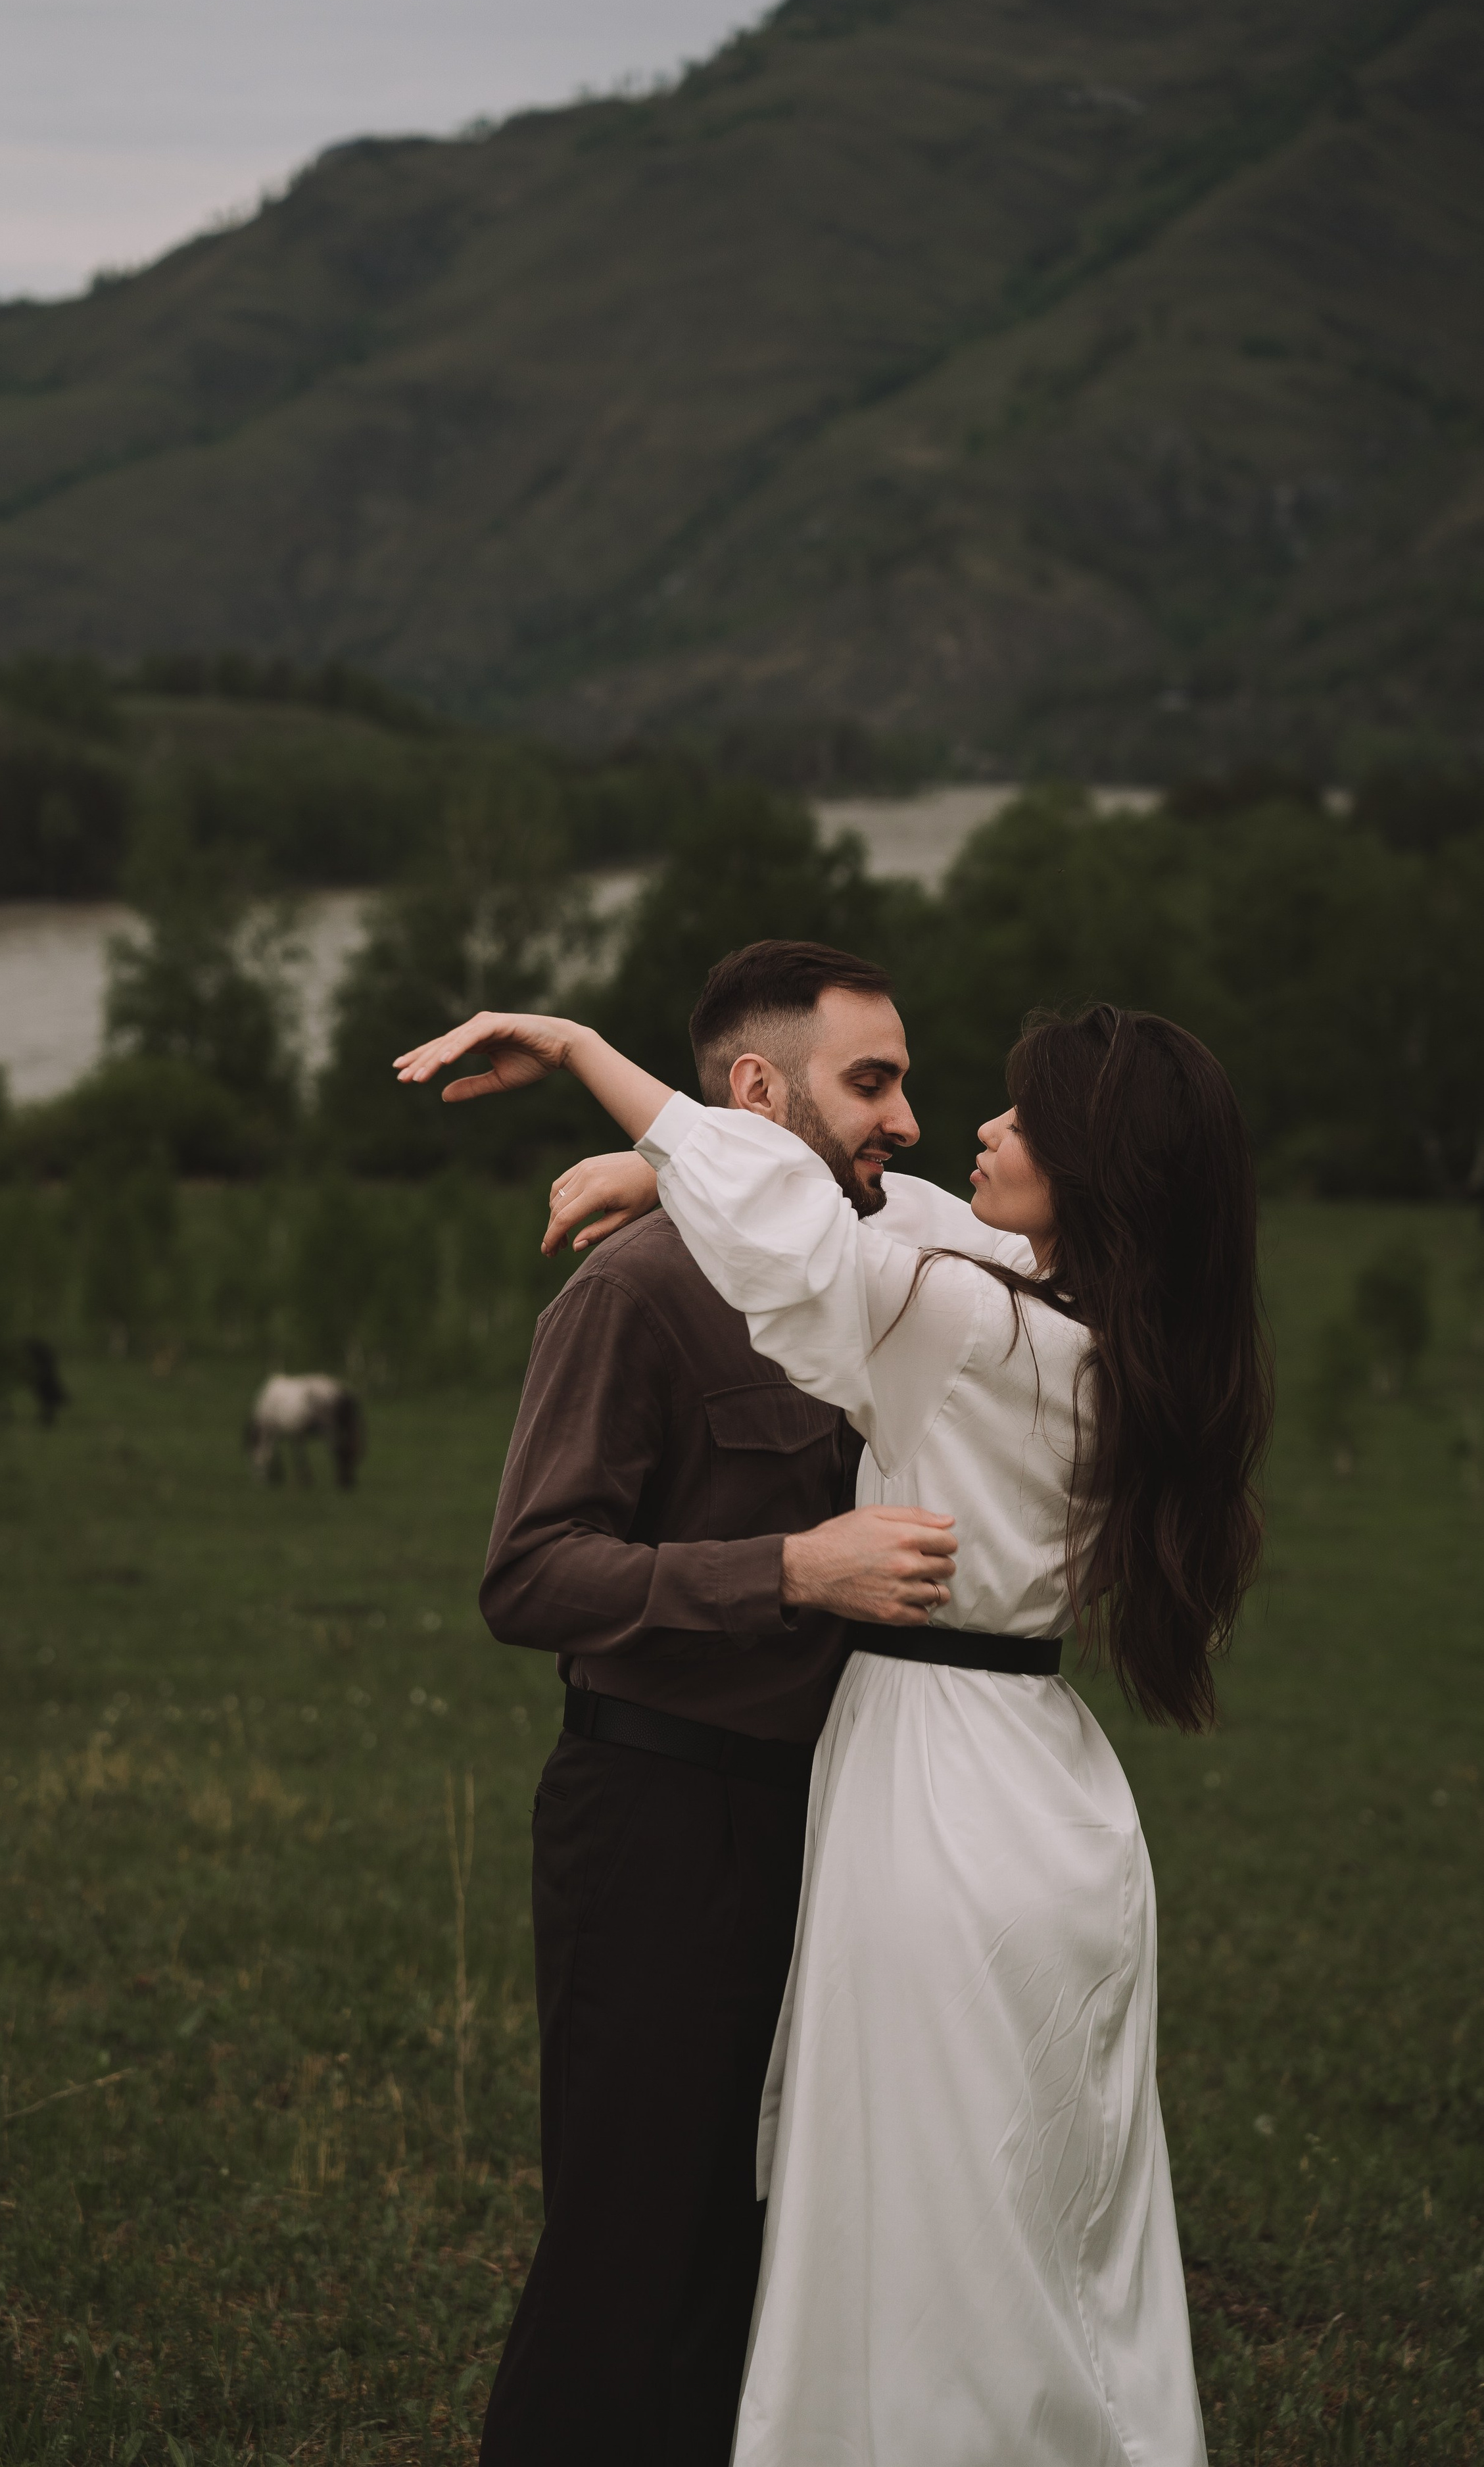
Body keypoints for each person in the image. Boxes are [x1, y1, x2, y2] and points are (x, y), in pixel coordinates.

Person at [397, 995, 1272, 2467]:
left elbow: (813, 1235)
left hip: (933, 1793)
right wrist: (672, 1170)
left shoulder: (962, 1317)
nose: (974, 1130)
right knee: (1048, 2216)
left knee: (924, 2219)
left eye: (1020, 1119)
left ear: (1088, 1175)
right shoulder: (1102, 1321)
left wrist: (584, 1063)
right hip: (1050, 1791)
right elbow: (910, 1215)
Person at [467, 942, 976, 2467]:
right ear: (754, 1091)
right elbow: (529, 1578)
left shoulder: (879, 1288)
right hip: (660, 1824)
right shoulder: (633, 1296)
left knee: (778, 2239)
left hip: (837, 1828)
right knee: (636, 2237)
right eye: (869, 1082)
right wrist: (788, 1572)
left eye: (903, 1081)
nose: (904, 1117)